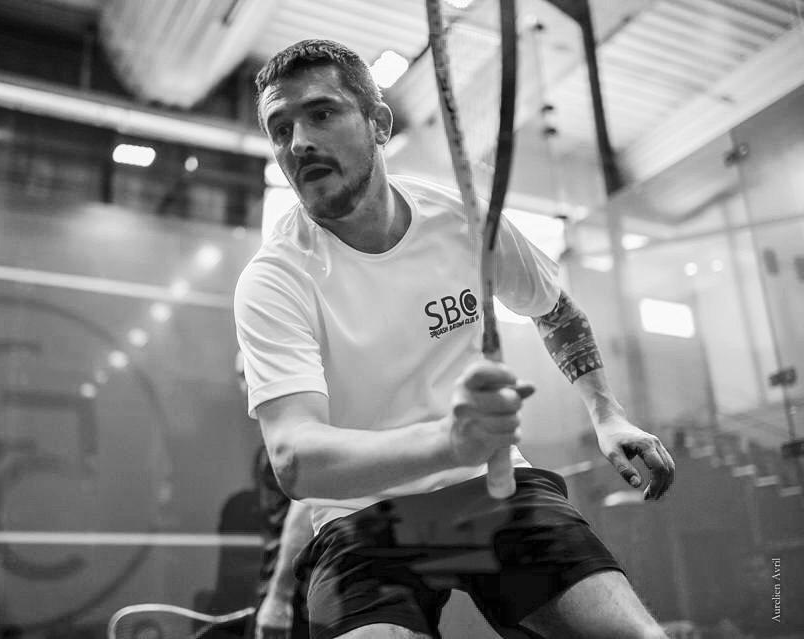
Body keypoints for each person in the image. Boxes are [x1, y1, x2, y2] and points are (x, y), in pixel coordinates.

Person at [234, 39, 675, 639]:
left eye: (322, 113)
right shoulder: (273, 279)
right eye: (280, 128)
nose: (299, 142)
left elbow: (556, 309)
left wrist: (607, 415)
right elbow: (294, 458)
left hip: (494, 489)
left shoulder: (464, 220)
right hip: (363, 520)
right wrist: (451, 440)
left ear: (379, 122)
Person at [237, 352, 314, 639]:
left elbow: (306, 505)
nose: (245, 384)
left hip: (299, 598)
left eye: (250, 372)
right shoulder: (267, 447)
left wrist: (280, 596)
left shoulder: (296, 438)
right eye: (240, 376)